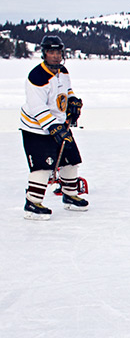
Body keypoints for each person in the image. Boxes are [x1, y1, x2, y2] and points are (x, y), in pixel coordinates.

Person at [20, 35, 89, 220]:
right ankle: (32, 203)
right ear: (44, 54)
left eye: (58, 52)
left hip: (59, 124)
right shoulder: (37, 76)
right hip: (36, 129)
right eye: (51, 52)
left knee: (71, 160)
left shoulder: (63, 71)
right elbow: (37, 107)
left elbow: (66, 90)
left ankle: (70, 195)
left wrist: (72, 101)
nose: (56, 56)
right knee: (42, 167)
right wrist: (53, 127)